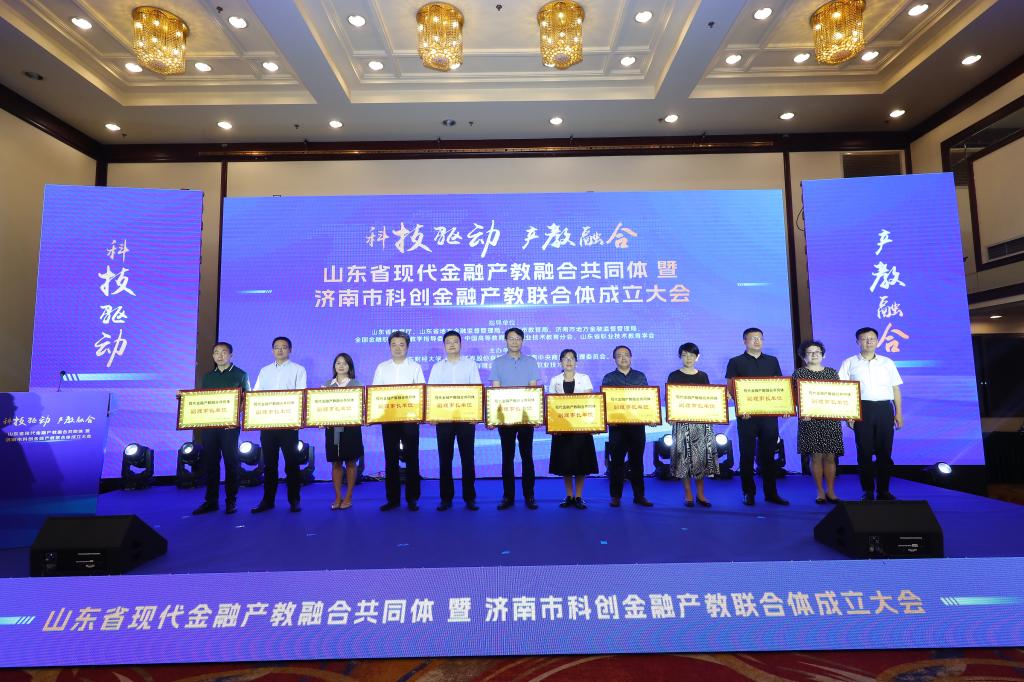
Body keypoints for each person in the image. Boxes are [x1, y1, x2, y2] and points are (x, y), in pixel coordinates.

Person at [724, 327, 789, 506]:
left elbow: (779, 387)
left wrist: (784, 406)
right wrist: (741, 407)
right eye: (752, 338)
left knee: (768, 456)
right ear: (744, 341)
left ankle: (771, 493)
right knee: (747, 455)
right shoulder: (735, 361)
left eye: (760, 338)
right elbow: (731, 388)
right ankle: (748, 492)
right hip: (747, 417)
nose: (757, 341)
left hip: (769, 416)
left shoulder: (772, 360)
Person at [839, 327, 904, 501]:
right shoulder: (849, 362)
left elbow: (895, 389)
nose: (868, 342)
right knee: (864, 452)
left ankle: (884, 490)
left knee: (885, 452)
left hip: (884, 409)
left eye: (872, 338)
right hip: (861, 409)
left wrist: (899, 413)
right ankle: (867, 490)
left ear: (877, 341)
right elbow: (843, 391)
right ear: (857, 342)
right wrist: (848, 414)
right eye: (864, 339)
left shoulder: (887, 362)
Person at [192, 342, 250, 515]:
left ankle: (231, 501)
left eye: (224, 352)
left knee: (231, 462)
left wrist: (234, 412)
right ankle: (211, 501)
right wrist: (185, 399)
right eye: (216, 352)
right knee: (211, 463)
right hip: (210, 426)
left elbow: (247, 400)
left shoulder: (241, 374)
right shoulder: (208, 377)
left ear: (231, 355)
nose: (220, 355)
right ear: (213, 356)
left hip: (229, 427)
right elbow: (202, 400)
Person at [251, 336, 307, 513]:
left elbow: (302, 395)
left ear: (290, 350)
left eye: (284, 347)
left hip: (289, 425)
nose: (280, 350)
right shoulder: (264, 371)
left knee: (292, 463)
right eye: (276, 347)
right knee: (269, 465)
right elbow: (256, 395)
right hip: (268, 425)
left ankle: (294, 500)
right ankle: (268, 500)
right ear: (272, 350)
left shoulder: (298, 369)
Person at [428, 330, 481, 511]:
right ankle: (446, 498)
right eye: (448, 342)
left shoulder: (470, 365)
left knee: (468, 458)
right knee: (445, 459)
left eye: (455, 341)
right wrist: (432, 415)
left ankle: (470, 498)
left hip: (466, 418)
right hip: (443, 419)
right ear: (444, 346)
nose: (451, 344)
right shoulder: (437, 367)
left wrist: (476, 415)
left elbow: (476, 390)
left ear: (460, 344)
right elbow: (431, 392)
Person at [372, 331, 426, 511]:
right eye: (394, 344)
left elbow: (422, 391)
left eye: (401, 344)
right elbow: (376, 394)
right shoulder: (382, 367)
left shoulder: (415, 367)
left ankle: (412, 498)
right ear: (389, 347)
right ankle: (392, 499)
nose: (397, 348)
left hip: (410, 419)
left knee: (412, 458)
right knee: (391, 458)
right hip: (389, 419)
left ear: (407, 347)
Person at [490, 327, 541, 510]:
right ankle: (508, 496)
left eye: (518, 338)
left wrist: (535, 414)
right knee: (507, 457)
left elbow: (533, 389)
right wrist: (493, 417)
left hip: (526, 417)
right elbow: (495, 390)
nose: (514, 341)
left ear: (522, 341)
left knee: (527, 457)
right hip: (505, 418)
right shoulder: (497, 362)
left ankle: (529, 495)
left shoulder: (531, 362)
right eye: (511, 338)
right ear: (506, 341)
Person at [601, 345, 654, 508]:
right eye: (619, 355)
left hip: (637, 426)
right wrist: (608, 418)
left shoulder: (640, 376)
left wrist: (650, 416)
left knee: (637, 462)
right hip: (617, 427)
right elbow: (605, 402)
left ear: (631, 357)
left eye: (626, 355)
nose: (623, 358)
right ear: (614, 359)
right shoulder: (609, 378)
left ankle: (639, 496)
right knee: (616, 462)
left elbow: (647, 400)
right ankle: (615, 496)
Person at [667, 342, 718, 508]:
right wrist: (671, 415)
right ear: (680, 357)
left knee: (700, 459)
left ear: (697, 357)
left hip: (701, 423)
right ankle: (688, 494)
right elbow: (670, 398)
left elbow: (709, 398)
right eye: (684, 355)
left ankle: (701, 494)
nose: (688, 358)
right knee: (684, 459)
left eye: (691, 355)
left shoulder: (703, 376)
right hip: (681, 423)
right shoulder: (674, 375)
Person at [793, 340, 843, 504]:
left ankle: (831, 491)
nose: (814, 355)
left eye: (817, 352)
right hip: (810, 420)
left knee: (830, 456)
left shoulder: (832, 373)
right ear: (804, 356)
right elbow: (794, 397)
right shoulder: (799, 374)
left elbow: (841, 395)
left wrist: (847, 412)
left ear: (823, 355)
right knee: (816, 457)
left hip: (830, 419)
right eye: (810, 352)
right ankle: (820, 492)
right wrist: (802, 410)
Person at [548, 349, 599, 509]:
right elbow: (552, 405)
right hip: (562, 428)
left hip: (581, 427)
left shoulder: (584, 378)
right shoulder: (555, 380)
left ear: (576, 361)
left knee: (581, 463)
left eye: (571, 358)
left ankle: (579, 496)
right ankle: (569, 495)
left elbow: (589, 401)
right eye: (565, 358)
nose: (569, 361)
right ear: (560, 362)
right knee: (566, 464)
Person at [324, 352, 364, 510]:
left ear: (350, 366)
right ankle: (337, 497)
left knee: (351, 462)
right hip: (332, 429)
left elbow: (361, 407)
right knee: (336, 463)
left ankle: (348, 497)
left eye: (345, 363)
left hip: (351, 429)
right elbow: (320, 407)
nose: (341, 366)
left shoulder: (356, 384)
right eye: (338, 363)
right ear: (334, 366)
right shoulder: (327, 385)